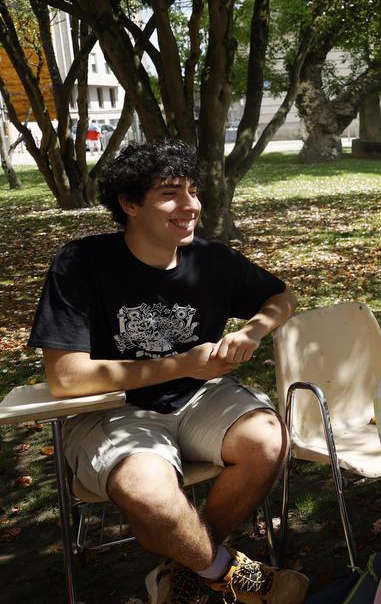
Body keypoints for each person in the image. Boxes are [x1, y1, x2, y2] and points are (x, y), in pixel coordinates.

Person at [26, 140, 308, 603]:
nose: (191, 205)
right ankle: (222, 570)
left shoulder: (213, 260)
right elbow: (67, 377)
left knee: (268, 440)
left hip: (201, 398)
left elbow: (283, 296)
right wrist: (181, 364)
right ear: (130, 204)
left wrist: (254, 331)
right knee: (151, 496)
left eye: (194, 191)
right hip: (113, 411)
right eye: (171, 193)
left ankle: (184, 570)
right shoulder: (81, 264)